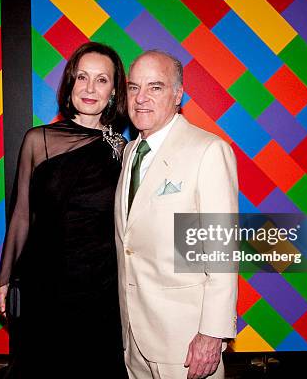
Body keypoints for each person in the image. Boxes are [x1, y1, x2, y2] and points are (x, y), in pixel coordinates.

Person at [0, 42, 128, 378]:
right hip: (45, 282)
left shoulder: (123, 149)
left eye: (102, 80)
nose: (89, 88)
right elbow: (22, 212)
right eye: (82, 77)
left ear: (114, 91)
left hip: (102, 286)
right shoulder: (38, 140)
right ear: (70, 83)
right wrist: (6, 277)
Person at [114, 50, 239, 379]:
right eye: (133, 87)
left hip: (184, 343)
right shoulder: (129, 152)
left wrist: (212, 335)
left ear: (177, 94)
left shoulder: (208, 151)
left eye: (155, 87)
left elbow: (221, 252)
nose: (141, 98)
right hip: (133, 338)